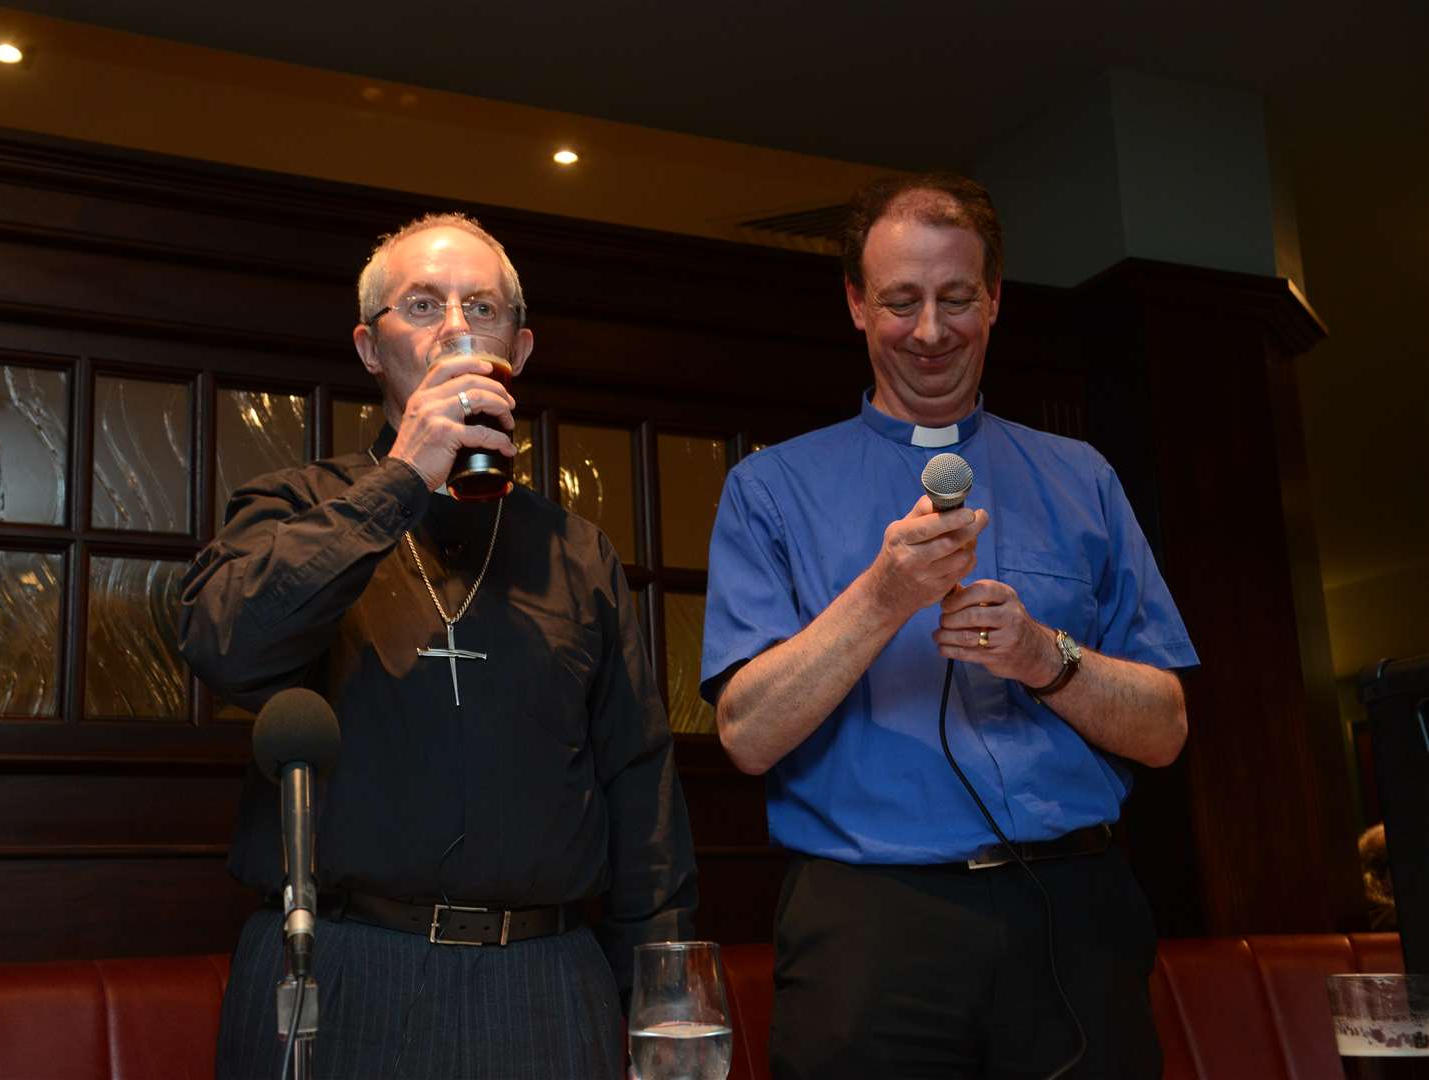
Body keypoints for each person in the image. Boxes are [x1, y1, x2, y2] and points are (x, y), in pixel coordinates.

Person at [700, 173, 1197, 1078]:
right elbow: (746, 734)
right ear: (856, 305)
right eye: (900, 301)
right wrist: (883, 595)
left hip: (1072, 916)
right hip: (869, 928)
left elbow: (1164, 730)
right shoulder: (770, 490)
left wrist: (1046, 656)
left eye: (957, 298)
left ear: (995, 300)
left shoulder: (1081, 476)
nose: (930, 332)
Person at [179, 212, 697, 1080]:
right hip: (342, 968)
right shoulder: (295, 505)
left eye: (481, 308)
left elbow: (642, 795)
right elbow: (226, 644)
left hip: (542, 980)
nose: (456, 328)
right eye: (423, 305)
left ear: (520, 351)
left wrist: (663, 1001)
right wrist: (402, 480)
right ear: (369, 348)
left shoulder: (578, 553)